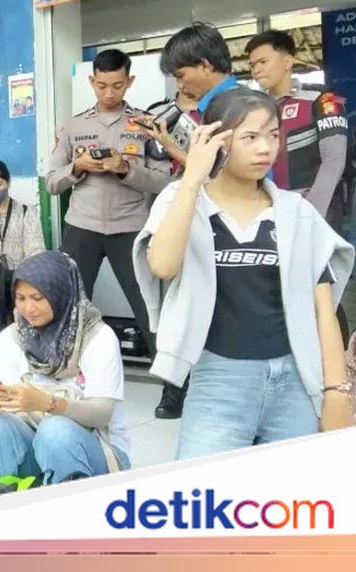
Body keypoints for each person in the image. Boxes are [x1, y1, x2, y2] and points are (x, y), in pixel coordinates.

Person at [134, 88, 355, 460]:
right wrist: (192, 179)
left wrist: (336, 392)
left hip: (295, 381)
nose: (266, 148)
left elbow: (322, 310)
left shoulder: (295, 212)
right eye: (250, 137)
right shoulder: (182, 200)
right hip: (218, 379)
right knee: (207, 491)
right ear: (216, 139)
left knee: (291, 493)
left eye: (273, 135)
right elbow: (163, 265)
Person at [46, 49, 176, 417]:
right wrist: (77, 167)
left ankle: (173, 387)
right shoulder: (72, 128)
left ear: (129, 81)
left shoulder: (145, 124)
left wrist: (124, 169)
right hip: (82, 226)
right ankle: (59, 377)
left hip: (130, 226)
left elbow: (164, 181)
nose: (109, 92)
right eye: (101, 85)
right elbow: (52, 182)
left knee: (150, 306)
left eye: (117, 85)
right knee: (69, 304)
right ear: (92, 81)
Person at [0, 251, 131, 485]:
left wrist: (48, 403)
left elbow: (101, 414)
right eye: (20, 298)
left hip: (97, 452)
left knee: (55, 430)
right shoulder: (12, 337)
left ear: (60, 292)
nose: (28, 308)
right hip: (36, 445)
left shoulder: (97, 338)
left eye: (37, 298)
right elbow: (10, 410)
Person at [246, 29, 349, 223]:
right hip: (271, 212)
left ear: (287, 62)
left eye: (263, 62)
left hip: (317, 213)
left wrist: (310, 215)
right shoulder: (256, 108)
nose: (256, 70)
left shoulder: (323, 99)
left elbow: (333, 160)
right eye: (252, 65)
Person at [160, 21, 241, 119]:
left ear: (205, 66)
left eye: (180, 76)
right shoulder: (239, 100)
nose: (179, 86)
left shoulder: (230, 109)